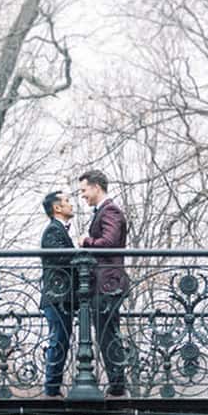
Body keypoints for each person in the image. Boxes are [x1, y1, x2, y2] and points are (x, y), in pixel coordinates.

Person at [77, 169, 131, 397]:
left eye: (84, 190)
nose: (82, 195)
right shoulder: (105, 211)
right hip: (106, 283)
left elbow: (108, 242)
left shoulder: (111, 211)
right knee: (106, 332)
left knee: (107, 333)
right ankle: (117, 384)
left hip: (108, 283)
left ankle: (118, 386)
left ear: (96, 187)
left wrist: (85, 241)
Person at [39, 189, 77, 396]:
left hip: (63, 297)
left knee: (61, 339)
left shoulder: (58, 230)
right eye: (67, 201)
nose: (71, 204)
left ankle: (53, 388)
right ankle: (51, 390)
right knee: (58, 340)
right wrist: (80, 252)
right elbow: (59, 258)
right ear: (57, 208)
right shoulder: (53, 230)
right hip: (57, 297)